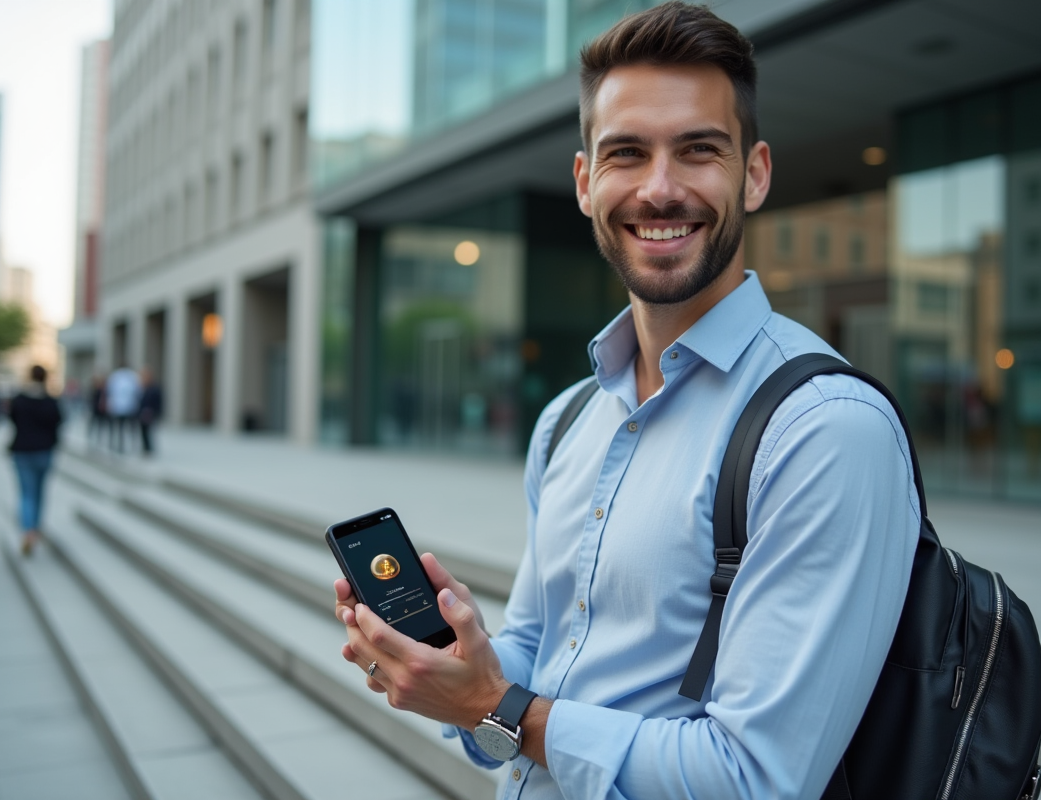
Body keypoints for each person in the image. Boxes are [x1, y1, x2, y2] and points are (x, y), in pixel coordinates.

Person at [333, 4, 919, 798]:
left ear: (754, 173)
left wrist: (492, 703)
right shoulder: (568, 418)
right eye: (627, 153)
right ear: (585, 182)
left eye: (699, 150)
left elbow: (756, 780)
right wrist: (461, 664)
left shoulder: (824, 430)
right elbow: (542, 647)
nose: (660, 188)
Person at [8, 365, 62, 556]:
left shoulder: (20, 400)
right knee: (39, 492)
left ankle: (28, 530)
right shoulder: (50, 401)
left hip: (22, 450)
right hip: (44, 451)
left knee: (26, 493)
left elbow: (12, 419)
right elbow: (58, 422)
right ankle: (35, 528)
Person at [105, 364, 141, 453]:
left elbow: (109, 391)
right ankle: (129, 445)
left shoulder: (116, 376)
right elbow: (138, 391)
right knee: (129, 427)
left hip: (119, 406)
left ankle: (118, 444)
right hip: (128, 407)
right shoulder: (132, 376)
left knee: (119, 427)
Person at [137, 367, 163, 455]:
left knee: (148, 431)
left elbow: (158, 402)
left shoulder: (154, 387)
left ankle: (148, 448)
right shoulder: (142, 387)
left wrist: (157, 413)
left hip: (150, 413)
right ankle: (145, 448)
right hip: (142, 413)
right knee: (143, 431)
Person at [88, 373, 109, 447]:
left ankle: (99, 437)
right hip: (96, 409)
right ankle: (90, 436)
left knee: (101, 424)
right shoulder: (96, 390)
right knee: (93, 423)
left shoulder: (106, 391)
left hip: (103, 411)